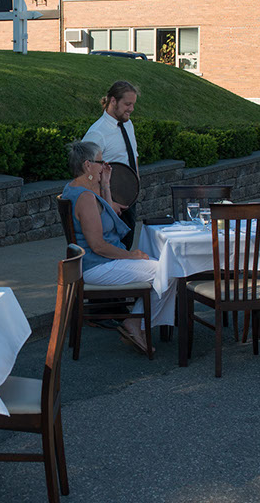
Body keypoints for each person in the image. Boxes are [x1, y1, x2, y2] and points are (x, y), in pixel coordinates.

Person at [61, 140, 176, 355]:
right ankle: (135, 324)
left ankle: (137, 324)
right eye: (100, 161)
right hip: (97, 266)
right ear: (87, 165)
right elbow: (98, 246)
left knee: (163, 268)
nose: (105, 165)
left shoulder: (77, 188)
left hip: (97, 263)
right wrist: (130, 255)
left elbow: (110, 218)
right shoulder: (85, 198)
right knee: (170, 271)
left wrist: (105, 184)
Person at [82, 81, 140, 248]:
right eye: (127, 104)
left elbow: (133, 156)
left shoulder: (128, 124)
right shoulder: (97, 132)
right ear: (113, 101)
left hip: (129, 200)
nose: (131, 109)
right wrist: (108, 204)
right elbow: (86, 175)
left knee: (126, 248)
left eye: (133, 104)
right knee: (114, 251)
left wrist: (136, 184)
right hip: (108, 205)